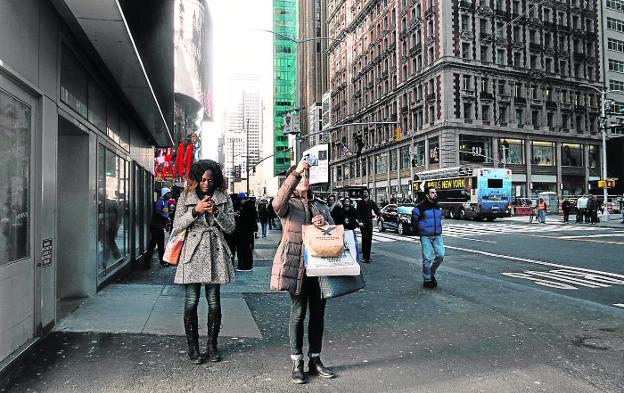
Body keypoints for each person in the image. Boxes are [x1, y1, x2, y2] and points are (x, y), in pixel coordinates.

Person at [271, 158, 336, 384]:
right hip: (296, 266)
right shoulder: (288, 204)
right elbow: (277, 204)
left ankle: (315, 359)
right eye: (301, 177)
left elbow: (335, 234)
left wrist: (324, 225)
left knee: (318, 314)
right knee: (298, 314)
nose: (305, 179)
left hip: (320, 268)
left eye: (307, 176)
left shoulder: (321, 205)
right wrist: (296, 173)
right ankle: (297, 361)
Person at [172, 160, 236, 364]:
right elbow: (177, 225)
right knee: (191, 301)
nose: (206, 184)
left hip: (215, 251)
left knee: (214, 301)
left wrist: (215, 212)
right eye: (202, 180)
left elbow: (231, 227)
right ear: (195, 180)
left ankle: (212, 345)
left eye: (210, 180)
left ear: (216, 180)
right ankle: (193, 347)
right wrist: (195, 210)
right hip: (192, 251)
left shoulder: (223, 197)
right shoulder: (185, 196)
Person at [412, 187, 445, 288]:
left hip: (437, 235)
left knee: (440, 255)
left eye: (435, 192)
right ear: (427, 195)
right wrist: (419, 230)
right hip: (425, 235)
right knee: (427, 259)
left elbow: (439, 219)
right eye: (432, 193)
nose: (435, 194)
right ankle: (427, 279)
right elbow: (414, 219)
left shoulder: (438, 206)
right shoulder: (420, 207)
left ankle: (431, 272)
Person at [145, 187, 171, 268]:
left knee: (160, 244)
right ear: (164, 194)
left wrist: (166, 223)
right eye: (168, 193)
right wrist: (166, 218)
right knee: (154, 244)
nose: (170, 195)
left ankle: (161, 261)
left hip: (159, 226)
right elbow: (158, 212)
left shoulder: (165, 202)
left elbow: (164, 213)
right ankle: (147, 262)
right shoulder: (160, 202)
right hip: (156, 226)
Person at [356, 189, 382, 263]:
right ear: (362, 194)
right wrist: (360, 222)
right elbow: (357, 213)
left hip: (369, 223)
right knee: (364, 239)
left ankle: (368, 257)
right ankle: (365, 257)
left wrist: (380, 215)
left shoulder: (371, 202)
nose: (365, 193)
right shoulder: (360, 203)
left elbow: (376, 209)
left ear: (368, 194)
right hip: (363, 224)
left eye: (366, 192)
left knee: (369, 239)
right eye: (364, 192)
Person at [236, 193, 257, 271]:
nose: (244, 200)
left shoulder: (248, 207)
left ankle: (246, 266)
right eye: (243, 199)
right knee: (243, 249)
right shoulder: (246, 207)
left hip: (246, 232)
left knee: (245, 249)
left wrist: (239, 216)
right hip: (244, 232)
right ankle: (243, 265)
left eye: (244, 199)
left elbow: (248, 219)